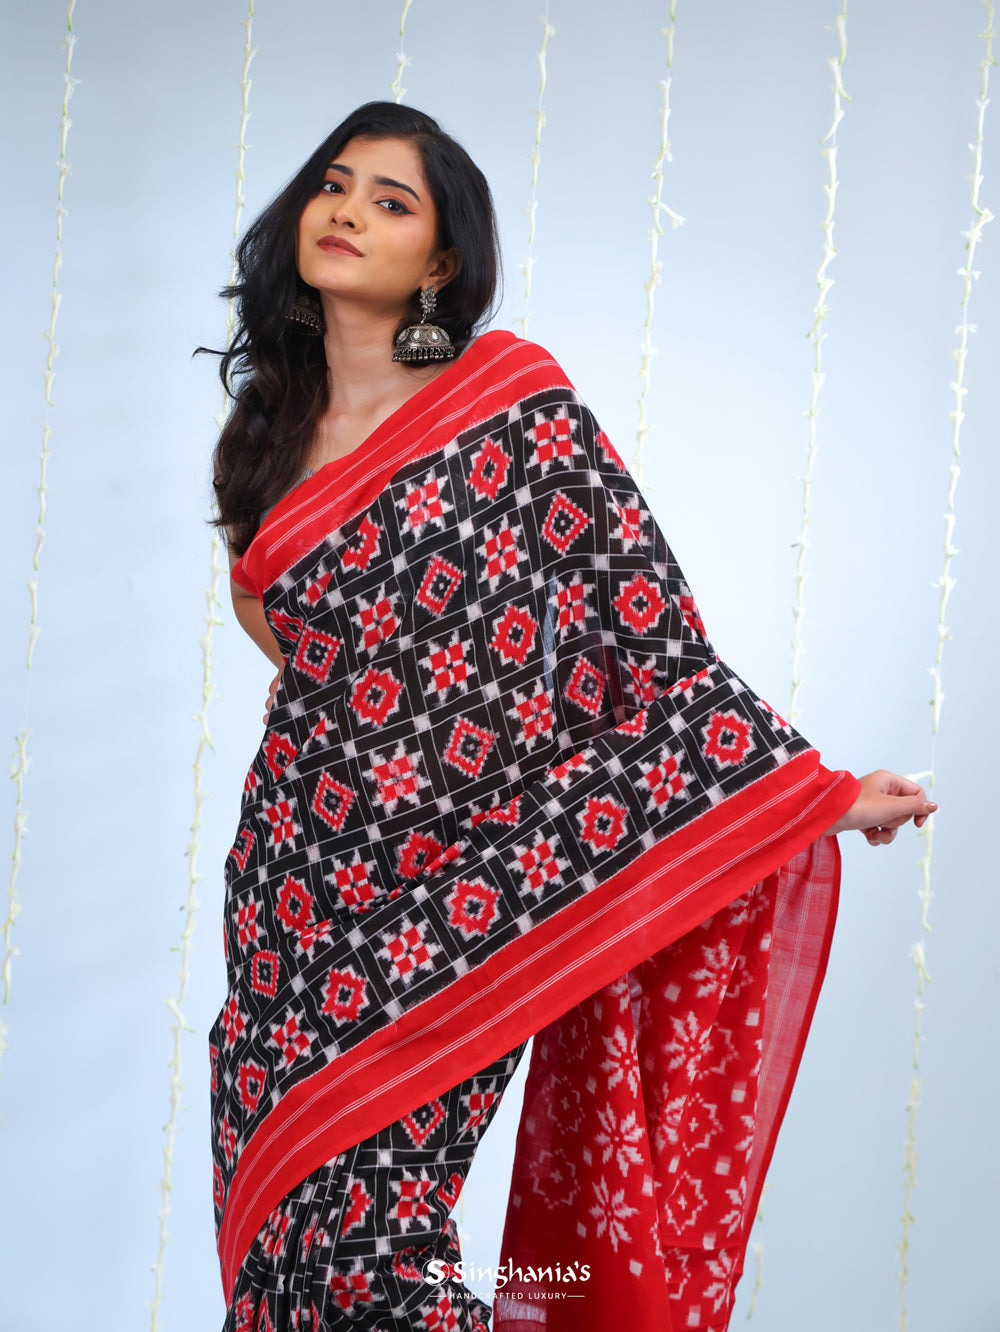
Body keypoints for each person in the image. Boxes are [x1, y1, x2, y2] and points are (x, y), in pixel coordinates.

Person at [206, 100, 934, 1332]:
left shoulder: (512, 402)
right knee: (287, 1251)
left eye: (391, 200)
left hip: (461, 895)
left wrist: (808, 795)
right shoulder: (266, 435)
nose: (347, 212)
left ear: (441, 262)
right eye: (333, 185)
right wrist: (380, 711)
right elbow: (287, 632)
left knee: (376, 1255)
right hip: (296, 886)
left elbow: (642, 623)